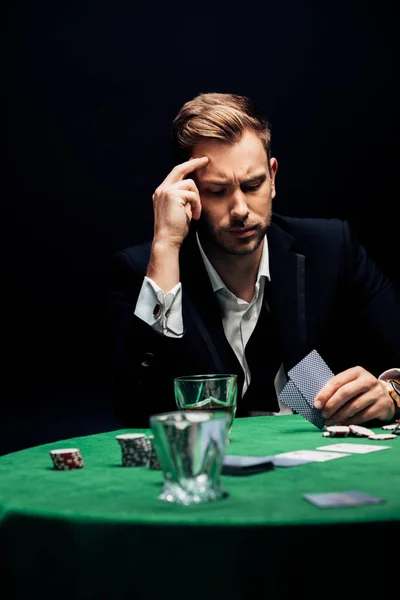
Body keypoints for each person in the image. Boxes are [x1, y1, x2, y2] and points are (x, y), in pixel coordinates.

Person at [109, 92, 400, 428]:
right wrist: (166, 245)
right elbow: (133, 404)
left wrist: (391, 392)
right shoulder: (147, 270)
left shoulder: (331, 249)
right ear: (188, 190)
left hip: (323, 464)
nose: (240, 210)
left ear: (272, 177)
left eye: (253, 185)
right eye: (217, 191)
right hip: (213, 468)